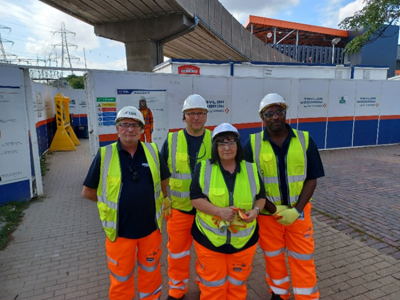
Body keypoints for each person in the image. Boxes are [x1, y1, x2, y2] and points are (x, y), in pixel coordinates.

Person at [82, 106, 171, 300]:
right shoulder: (105, 154)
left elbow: (164, 182)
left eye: (134, 125)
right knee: (121, 280)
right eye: (124, 125)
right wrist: (112, 202)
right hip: (120, 232)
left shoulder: (153, 150)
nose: (129, 130)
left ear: (141, 128)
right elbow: (88, 192)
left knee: (151, 275)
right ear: (117, 128)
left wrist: (163, 198)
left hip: (151, 230)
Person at [243, 93, 325, 300]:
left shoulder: (305, 139)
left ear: (285, 113)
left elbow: (312, 178)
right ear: (262, 117)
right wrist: (272, 209)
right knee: (273, 256)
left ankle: (307, 296)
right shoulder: (252, 144)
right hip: (268, 215)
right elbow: (249, 183)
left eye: (279, 111)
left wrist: (296, 210)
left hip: (299, 213)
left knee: (303, 257)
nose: (275, 117)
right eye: (269, 113)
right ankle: (279, 293)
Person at [190, 123, 276, 300]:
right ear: (215, 147)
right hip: (209, 239)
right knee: (213, 287)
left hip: (244, 241)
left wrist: (257, 210)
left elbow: (261, 196)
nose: (227, 147)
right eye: (221, 143)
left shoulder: (251, 169)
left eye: (231, 142)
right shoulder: (203, 168)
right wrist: (218, 211)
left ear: (238, 144)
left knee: (238, 285)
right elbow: (195, 199)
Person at [160, 94, 212, 300]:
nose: (196, 117)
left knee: (206, 252)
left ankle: (205, 286)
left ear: (206, 116)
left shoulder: (216, 140)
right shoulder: (172, 139)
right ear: (184, 116)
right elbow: (162, 173)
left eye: (200, 113)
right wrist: (164, 198)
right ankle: (176, 289)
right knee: (177, 253)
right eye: (191, 113)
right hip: (179, 209)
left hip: (207, 210)